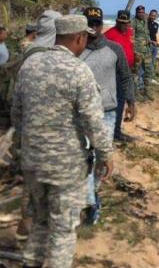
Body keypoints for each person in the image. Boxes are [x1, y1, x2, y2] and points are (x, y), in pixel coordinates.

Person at [12, 14, 114, 268]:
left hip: (33, 162)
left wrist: (22, 149)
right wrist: (105, 154)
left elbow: (16, 113)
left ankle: (30, 263)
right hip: (66, 168)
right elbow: (93, 120)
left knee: (40, 222)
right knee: (63, 230)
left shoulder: (30, 66)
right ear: (79, 38)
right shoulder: (79, 71)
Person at [79, 7, 135, 224]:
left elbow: (125, 77)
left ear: (101, 24)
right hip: (82, 113)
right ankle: (87, 198)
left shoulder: (114, 49)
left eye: (96, 23)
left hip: (108, 112)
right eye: (89, 23)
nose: (92, 28)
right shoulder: (76, 49)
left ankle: (93, 197)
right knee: (84, 156)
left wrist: (130, 102)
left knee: (101, 157)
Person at [104, 10, 135, 142]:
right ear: (116, 21)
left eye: (126, 23)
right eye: (121, 23)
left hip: (127, 71)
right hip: (114, 73)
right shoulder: (109, 35)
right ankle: (113, 133)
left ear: (129, 23)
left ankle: (116, 131)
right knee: (115, 103)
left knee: (122, 103)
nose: (123, 26)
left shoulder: (129, 32)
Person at [132, 5, 155, 94]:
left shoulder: (145, 21)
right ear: (136, 13)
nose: (141, 14)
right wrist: (134, 50)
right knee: (136, 72)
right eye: (139, 12)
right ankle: (136, 93)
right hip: (137, 51)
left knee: (149, 71)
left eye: (142, 12)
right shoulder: (133, 22)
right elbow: (131, 37)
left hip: (147, 50)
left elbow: (146, 34)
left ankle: (147, 92)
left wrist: (151, 41)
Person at [148, 9, 159, 74]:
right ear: (149, 15)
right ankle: (142, 79)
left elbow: (154, 35)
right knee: (146, 62)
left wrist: (157, 44)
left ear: (156, 16)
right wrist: (150, 41)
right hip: (147, 44)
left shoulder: (156, 24)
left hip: (155, 45)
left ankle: (150, 77)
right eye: (152, 15)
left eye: (154, 16)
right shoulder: (145, 23)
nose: (153, 17)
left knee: (153, 61)